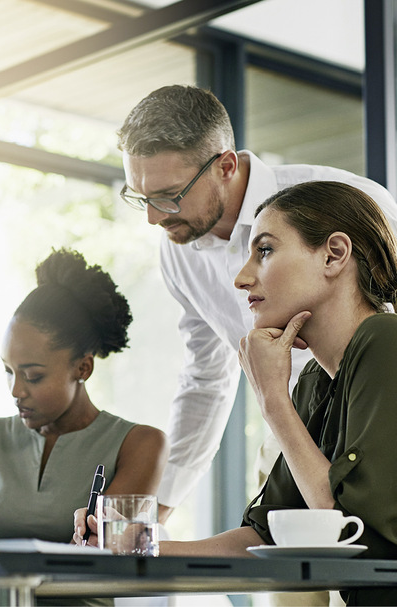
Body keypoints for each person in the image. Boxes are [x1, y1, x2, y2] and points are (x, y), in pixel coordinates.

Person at [75, 181, 397, 606]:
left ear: (334, 254)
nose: (242, 278)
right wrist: (132, 542)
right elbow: (265, 538)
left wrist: (272, 401)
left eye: (264, 251)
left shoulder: (386, 341)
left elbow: (360, 540)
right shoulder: (315, 383)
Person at [116, 85, 397, 521]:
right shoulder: (177, 248)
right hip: (286, 430)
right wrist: (152, 516)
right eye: (140, 198)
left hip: (378, 421)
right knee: (279, 573)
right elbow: (207, 378)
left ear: (225, 165)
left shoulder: (346, 199)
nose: (154, 216)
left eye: (169, 194)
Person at [0, 248, 167, 544]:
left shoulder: (140, 445)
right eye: (9, 371)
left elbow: (88, 557)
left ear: (83, 367)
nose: (16, 391)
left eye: (33, 376)